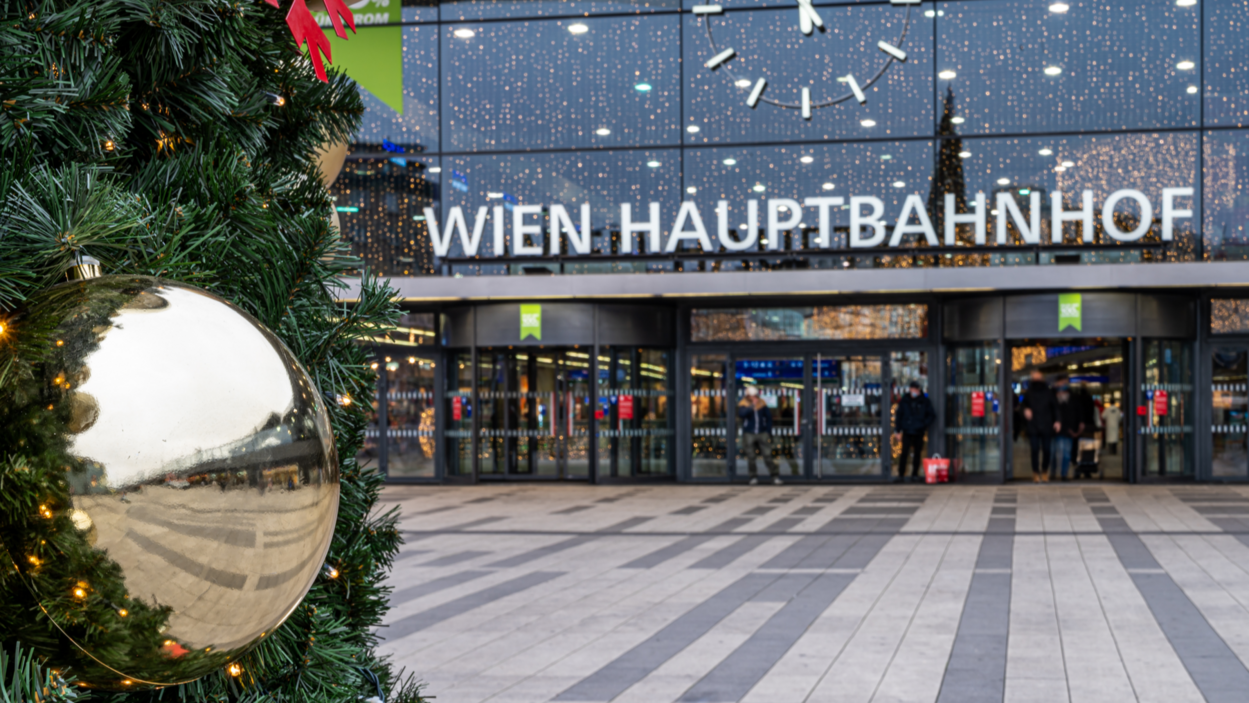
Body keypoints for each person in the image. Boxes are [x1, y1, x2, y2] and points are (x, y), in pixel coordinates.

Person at [893, 381, 936, 483]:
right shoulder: (905, 400)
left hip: (919, 431)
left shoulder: (924, 401)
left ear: (918, 390)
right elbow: (899, 416)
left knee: (917, 453)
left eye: (915, 390)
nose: (913, 391)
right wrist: (897, 430)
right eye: (912, 389)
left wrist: (923, 424)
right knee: (904, 453)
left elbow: (932, 415)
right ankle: (901, 475)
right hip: (907, 430)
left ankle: (915, 475)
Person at [738, 386, 782, 485]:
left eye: (754, 396)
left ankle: (774, 476)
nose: (753, 398)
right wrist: (752, 406)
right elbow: (742, 414)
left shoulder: (762, 403)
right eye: (751, 396)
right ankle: (753, 476)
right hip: (749, 433)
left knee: (767, 455)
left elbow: (769, 418)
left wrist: (767, 431)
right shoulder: (743, 404)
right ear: (747, 396)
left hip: (762, 433)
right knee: (751, 456)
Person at [1021, 369, 1060, 483]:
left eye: (1039, 378)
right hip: (1033, 425)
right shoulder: (1029, 393)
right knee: (1034, 450)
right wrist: (1025, 411)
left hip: (1047, 425)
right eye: (1035, 378)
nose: (1037, 380)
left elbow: (1055, 408)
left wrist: (1058, 421)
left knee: (1047, 450)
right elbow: (1022, 406)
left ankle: (1044, 471)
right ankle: (1035, 472)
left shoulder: (1048, 392)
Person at [1053, 386, 1085, 481]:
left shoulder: (1073, 402)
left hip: (1068, 432)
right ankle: (1056, 473)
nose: (1061, 394)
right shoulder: (1055, 403)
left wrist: (1078, 426)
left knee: (1065, 454)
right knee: (1059, 453)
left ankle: (1063, 474)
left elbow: (1079, 415)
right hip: (1059, 432)